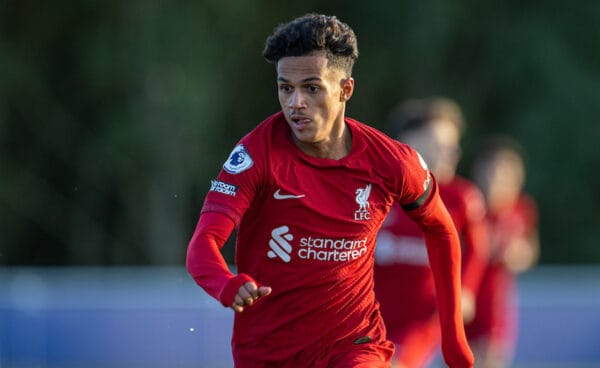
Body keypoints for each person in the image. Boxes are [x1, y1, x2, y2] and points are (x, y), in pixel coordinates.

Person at [186, 14, 473, 368]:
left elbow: (442, 230)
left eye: (311, 88)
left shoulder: (392, 162)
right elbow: (202, 245)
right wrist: (225, 284)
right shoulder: (256, 155)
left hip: (355, 345)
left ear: (345, 89)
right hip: (266, 352)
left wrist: (453, 334)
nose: (295, 103)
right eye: (285, 88)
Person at [374, 97, 489, 368]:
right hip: (370, 313)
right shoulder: (376, 191)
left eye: (454, 145)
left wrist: (466, 290)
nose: (452, 152)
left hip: (422, 318)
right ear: (408, 142)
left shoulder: (461, 198)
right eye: (441, 144)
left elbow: (476, 249)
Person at [465, 136, 540, 368]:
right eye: (494, 168)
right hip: (464, 297)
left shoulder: (521, 208)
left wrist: (520, 254)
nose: (498, 176)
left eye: (507, 170)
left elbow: (530, 250)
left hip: (496, 305)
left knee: (492, 359)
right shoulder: (468, 203)